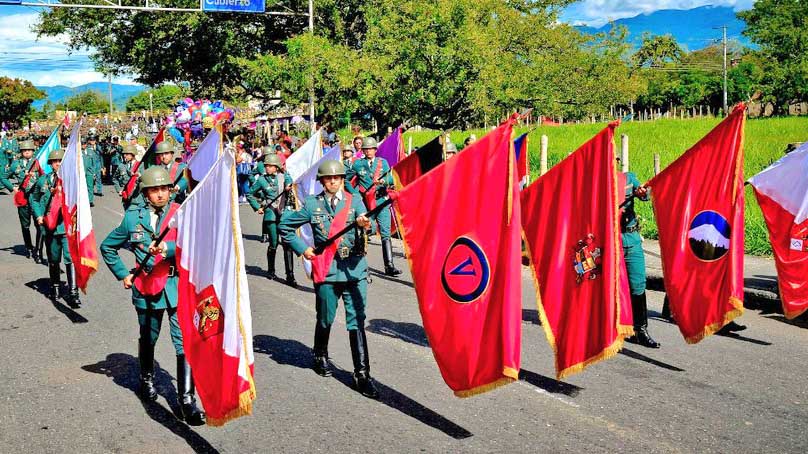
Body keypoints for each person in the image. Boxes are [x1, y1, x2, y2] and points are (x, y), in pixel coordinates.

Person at [99, 166, 205, 425]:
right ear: (145, 193)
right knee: (149, 336)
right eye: (154, 190)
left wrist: (167, 248)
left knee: (184, 340)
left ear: (171, 190)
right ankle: (146, 379)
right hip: (147, 289)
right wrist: (123, 274)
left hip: (177, 286)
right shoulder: (132, 219)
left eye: (164, 189)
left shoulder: (180, 214)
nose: (160, 194)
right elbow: (108, 246)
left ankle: (187, 400)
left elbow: (194, 245)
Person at [279, 160, 379, 398]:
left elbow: (371, 227)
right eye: (328, 178)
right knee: (325, 317)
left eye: (337, 178)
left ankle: (362, 373)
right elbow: (285, 226)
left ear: (343, 179)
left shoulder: (354, 201)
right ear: (322, 181)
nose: (333, 182)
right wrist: (303, 249)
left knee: (357, 320)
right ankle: (320, 354)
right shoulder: (312, 204)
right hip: (327, 270)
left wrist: (366, 225)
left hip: (354, 270)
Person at [30, 148, 81, 307]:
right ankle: (55, 287)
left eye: (60, 162)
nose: (58, 164)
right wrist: (38, 215)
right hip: (49, 227)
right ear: (50, 164)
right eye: (55, 162)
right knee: (53, 259)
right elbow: (34, 198)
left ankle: (73, 292)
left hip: (66, 228)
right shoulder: (43, 181)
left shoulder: (72, 181)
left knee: (70, 258)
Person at [346, 137, 401, 276]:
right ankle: (362, 266)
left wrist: (383, 181)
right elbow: (346, 180)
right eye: (366, 149)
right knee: (364, 233)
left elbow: (390, 178)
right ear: (363, 150)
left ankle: (389, 265)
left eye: (371, 148)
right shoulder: (358, 164)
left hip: (381, 201)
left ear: (375, 150)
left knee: (385, 232)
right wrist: (355, 194)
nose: (369, 151)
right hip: (365, 203)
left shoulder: (383, 163)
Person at [620, 170, 660, 348]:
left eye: (615, 159)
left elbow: (646, 193)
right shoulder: (595, 182)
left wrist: (643, 192)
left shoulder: (628, 178)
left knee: (637, 284)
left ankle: (640, 330)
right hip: (610, 242)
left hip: (632, 240)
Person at [247, 154, 294, 283]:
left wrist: (288, 185)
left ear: (276, 167)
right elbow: (250, 194)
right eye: (266, 165)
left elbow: (290, 180)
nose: (266, 167)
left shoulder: (283, 176)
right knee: (273, 244)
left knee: (287, 245)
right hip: (271, 215)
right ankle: (271, 270)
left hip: (284, 213)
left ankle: (290, 275)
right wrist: (257, 207)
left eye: (270, 166)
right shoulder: (262, 180)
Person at [10, 140, 44, 263]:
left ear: (33, 151)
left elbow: (43, 177)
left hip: (35, 199)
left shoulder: (37, 163)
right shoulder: (15, 164)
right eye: (24, 150)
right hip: (23, 199)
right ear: (21, 152)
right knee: (25, 226)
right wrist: (12, 187)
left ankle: (38, 251)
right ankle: (29, 248)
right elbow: (3, 176)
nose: (27, 152)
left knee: (40, 225)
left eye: (29, 150)